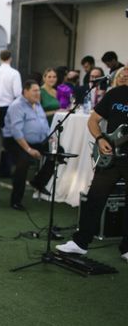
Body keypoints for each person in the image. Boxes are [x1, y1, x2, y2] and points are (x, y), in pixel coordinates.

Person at [57, 66, 128, 263]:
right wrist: (100, 139)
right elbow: (93, 120)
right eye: (125, 69)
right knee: (95, 198)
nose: (126, 73)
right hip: (110, 156)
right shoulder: (115, 94)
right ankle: (80, 243)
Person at [2, 79, 58, 210]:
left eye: (39, 90)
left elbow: (44, 125)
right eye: (35, 90)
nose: (38, 93)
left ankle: (38, 182)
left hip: (37, 141)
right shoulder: (17, 105)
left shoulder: (37, 104)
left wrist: (50, 138)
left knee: (58, 151)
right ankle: (16, 200)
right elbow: (16, 132)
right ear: (25, 91)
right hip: (15, 141)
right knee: (24, 161)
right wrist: (28, 149)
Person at [0, 50, 22, 175]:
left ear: (0, 58)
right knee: (8, 140)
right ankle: (6, 169)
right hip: (8, 108)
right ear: (10, 58)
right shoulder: (14, 73)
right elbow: (17, 93)